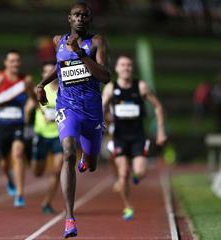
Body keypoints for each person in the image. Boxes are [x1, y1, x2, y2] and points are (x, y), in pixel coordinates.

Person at [36, 2, 110, 238]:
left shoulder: (97, 42)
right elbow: (59, 67)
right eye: (76, 15)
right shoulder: (59, 40)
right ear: (69, 18)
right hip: (67, 106)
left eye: (84, 15)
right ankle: (69, 217)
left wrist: (81, 54)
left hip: (92, 110)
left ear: (89, 19)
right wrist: (42, 85)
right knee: (68, 151)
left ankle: (85, 158)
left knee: (92, 164)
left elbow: (105, 76)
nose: (80, 18)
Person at [102, 55, 167, 220]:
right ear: (116, 69)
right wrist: (101, 123)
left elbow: (158, 107)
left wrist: (160, 131)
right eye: (122, 65)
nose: (125, 68)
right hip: (119, 137)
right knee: (123, 174)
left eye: (129, 65)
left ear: (132, 68)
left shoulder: (141, 87)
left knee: (140, 171)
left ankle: (136, 176)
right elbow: (101, 108)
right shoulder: (110, 88)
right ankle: (128, 207)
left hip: (138, 136)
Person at [0, 50, 35, 208]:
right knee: (4, 162)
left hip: (18, 123)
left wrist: (28, 108)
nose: (15, 64)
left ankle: (20, 193)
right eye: (12, 61)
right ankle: (9, 179)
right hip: (2, 123)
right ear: (5, 63)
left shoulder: (25, 80)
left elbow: (33, 98)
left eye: (18, 61)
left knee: (18, 154)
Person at [31, 62, 63, 215]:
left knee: (57, 171)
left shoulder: (65, 91)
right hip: (42, 134)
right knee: (37, 171)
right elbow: (31, 104)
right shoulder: (38, 91)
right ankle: (38, 165)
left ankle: (47, 202)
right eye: (46, 71)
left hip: (59, 134)